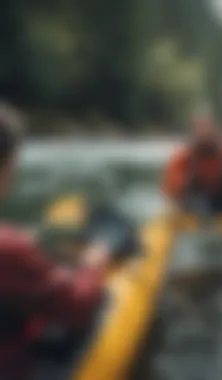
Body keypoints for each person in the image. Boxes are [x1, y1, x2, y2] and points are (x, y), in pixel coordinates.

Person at [0, 104, 120, 378]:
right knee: (102, 302)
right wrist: (93, 263)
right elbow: (77, 307)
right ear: (9, 167)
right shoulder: (9, 250)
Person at [162, 115, 222, 215]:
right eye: (201, 132)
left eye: (209, 131)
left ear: (217, 133)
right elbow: (171, 192)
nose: (205, 135)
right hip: (199, 205)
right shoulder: (183, 159)